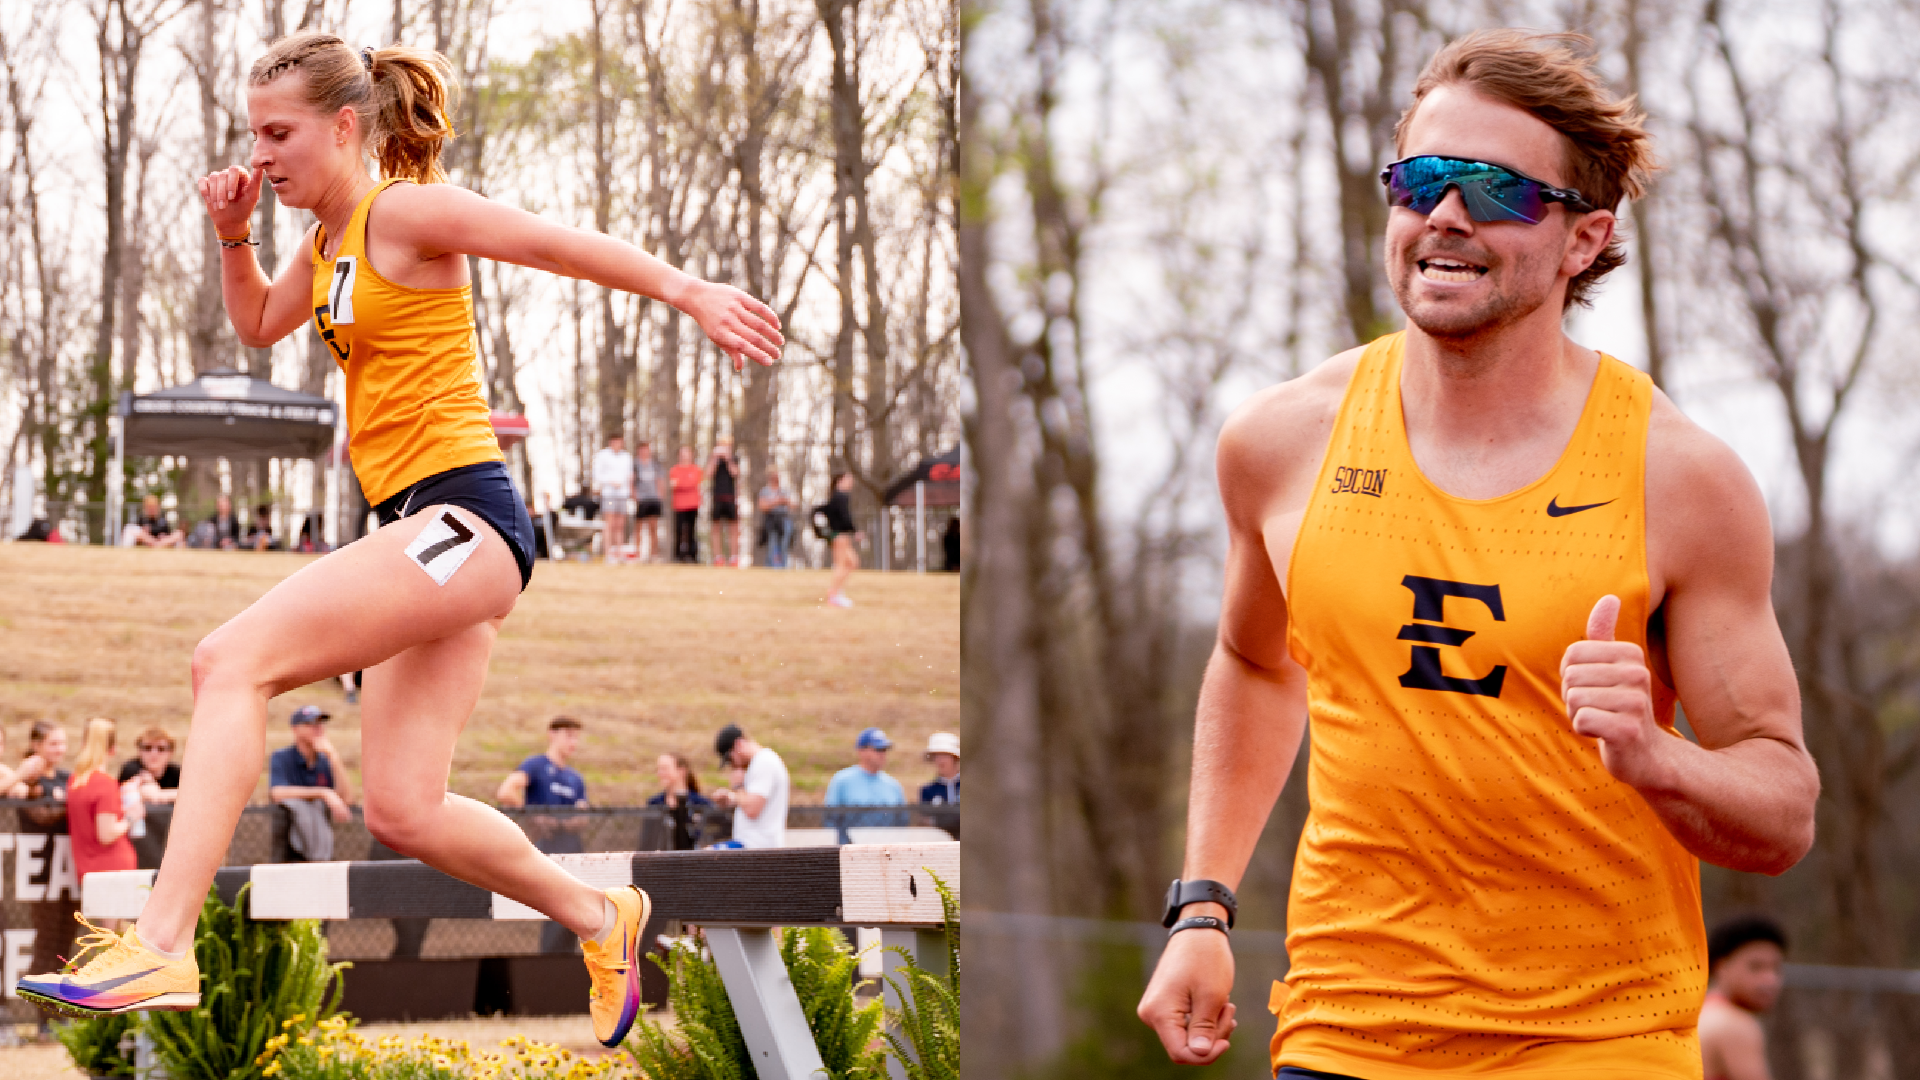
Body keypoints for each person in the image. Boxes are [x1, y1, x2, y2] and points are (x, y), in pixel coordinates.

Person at [18, 32, 780, 1047]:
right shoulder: (322, 243)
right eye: (254, 134)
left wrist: (690, 293)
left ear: (344, 126)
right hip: (430, 530)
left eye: (279, 133)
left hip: (464, 517)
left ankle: (162, 942)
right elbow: (256, 327)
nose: (263, 153)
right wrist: (233, 235)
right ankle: (603, 917)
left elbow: (548, 240)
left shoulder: (404, 210)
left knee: (229, 662)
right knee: (406, 809)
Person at [1136, 30, 1818, 1077]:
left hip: (1599, 1037)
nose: (1444, 215)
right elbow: (1256, 663)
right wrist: (1203, 908)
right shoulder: (1278, 444)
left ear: (1584, 240)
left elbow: (1782, 812)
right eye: (1420, 181)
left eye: (1496, 191)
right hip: (1345, 1028)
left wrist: (1657, 756)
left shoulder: (1679, 479)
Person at [496, 717, 591, 954]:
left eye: (576, 736)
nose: (574, 741)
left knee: (574, 915)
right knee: (554, 912)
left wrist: (565, 823)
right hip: (546, 848)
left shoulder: (574, 778)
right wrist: (533, 815)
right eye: (568, 735)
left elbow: (584, 816)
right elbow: (506, 791)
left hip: (573, 849)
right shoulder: (536, 766)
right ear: (552, 734)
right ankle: (548, 964)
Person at [13, 722, 76, 997]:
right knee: (46, 942)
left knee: (66, 942)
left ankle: (61, 1008)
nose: (59, 749)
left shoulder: (67, 777)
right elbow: (40, 816)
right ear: (36, 745)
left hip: (68, 870)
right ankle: (41, 1013)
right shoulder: (29, 781)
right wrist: (69, 805)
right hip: (40, 872)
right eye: (53, 744)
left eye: (62, 743)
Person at [1700, 916, 1788, 1080]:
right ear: (1721, 967)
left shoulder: (1702, 1010)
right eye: (1755, 967)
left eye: (1776, 968)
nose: (1770, 980)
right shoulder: (1734, 1024)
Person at [267, 704, 353, 863]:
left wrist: (334, 757)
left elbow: (347, 799)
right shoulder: (282, 756)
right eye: (309, 723)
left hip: (320, 850)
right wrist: (323, 793)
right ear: (295, 729)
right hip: (287, 849)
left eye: (320, 723)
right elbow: (277, 793)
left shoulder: (325, 760)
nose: (317, 727)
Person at [66, 719, 143, 891]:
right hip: (112, 869)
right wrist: (131, 816)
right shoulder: (105, 784)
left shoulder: (74, 782)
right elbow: (106, 835)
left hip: (89, 868)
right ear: (112, 749)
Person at [709, 724, 788, 849]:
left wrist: (738, 786)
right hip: (752, 844)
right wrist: (731, 799)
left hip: (757, 845)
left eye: (730, 759)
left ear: (739, 744)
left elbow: (752, 809)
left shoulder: (764, 762)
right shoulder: (759, 763)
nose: (732, 765)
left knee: (704, 858)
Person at [646, 753, 712, 851]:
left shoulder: (701, 803)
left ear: (681, 771)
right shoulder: (654, 803)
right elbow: (648, 840)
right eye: (659, 769)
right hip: (662, 861)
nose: (660, 773)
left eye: (665, 769)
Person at [819, 471, 860, 608]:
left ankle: (838, 591)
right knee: (841, 565)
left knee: (852, 562)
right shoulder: (839, 497)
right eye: (848, 479)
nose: (851, 482)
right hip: (839, 536)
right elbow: (844, 517)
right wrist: (855, 531)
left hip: (841, 535)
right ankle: (834, 595)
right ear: (840, 481)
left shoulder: (838, 497)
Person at [591, 434, 634, 563]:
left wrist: (630, 490)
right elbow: (597, 475)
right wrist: (611, 481)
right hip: (609, 493)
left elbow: (629, 475)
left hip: (623, 494)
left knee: (620, 525)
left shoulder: (627, 457)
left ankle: (620, 553)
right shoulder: (602, 456)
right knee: (609, 524)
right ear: (610, 442)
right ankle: (608, 553)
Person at [632, 441, 666, 563]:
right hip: (642, 499)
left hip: (654, 499)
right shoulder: (635, 464)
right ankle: (637, 554)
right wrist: (635, 495)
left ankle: (654, 555)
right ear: (638, 451)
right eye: (642, 449)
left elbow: (660, 480)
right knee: (639, 528)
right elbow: (631, 480)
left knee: (654, 528)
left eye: (646, 449)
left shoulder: (655, 464)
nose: (644, 452)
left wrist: (660, 495)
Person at [708, 438, 740, 566]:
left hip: (730, 498)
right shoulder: (714, 459)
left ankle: (734, 558)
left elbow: (735, 473)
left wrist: (728, 459)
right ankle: (718, 558)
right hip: (717, 498)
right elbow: (708, 473)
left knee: (733, 528)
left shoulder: (734, 459)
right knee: (716, 528)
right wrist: (714, 458)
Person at [669, 445, 703, 564]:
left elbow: (694, 483)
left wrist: (682, 483)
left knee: (691, 530)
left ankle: (692, 555)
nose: (685, 455)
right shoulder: (675, 469)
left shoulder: (696, 469)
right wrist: (686, 483)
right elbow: (673, 485)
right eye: (682, 453)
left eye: (687, 453)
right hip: (679, 505)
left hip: (693, 504)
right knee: (679, 530)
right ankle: (678, 555)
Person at [757, 470, 793, 569]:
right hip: (771, 520)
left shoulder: (784, 490)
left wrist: (784, 501)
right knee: (771, 545)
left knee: (784, 545)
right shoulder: (765, 491)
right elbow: (762, 506)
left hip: (784, 520)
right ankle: (770, 567)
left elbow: (793, 504)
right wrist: (777, 501)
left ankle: (783, 567)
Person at [918, 731, 959, 805]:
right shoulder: (928, 790)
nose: (940, 760)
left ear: (955, 757)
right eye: (936, 756)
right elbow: (925, 815)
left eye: (945, 755)